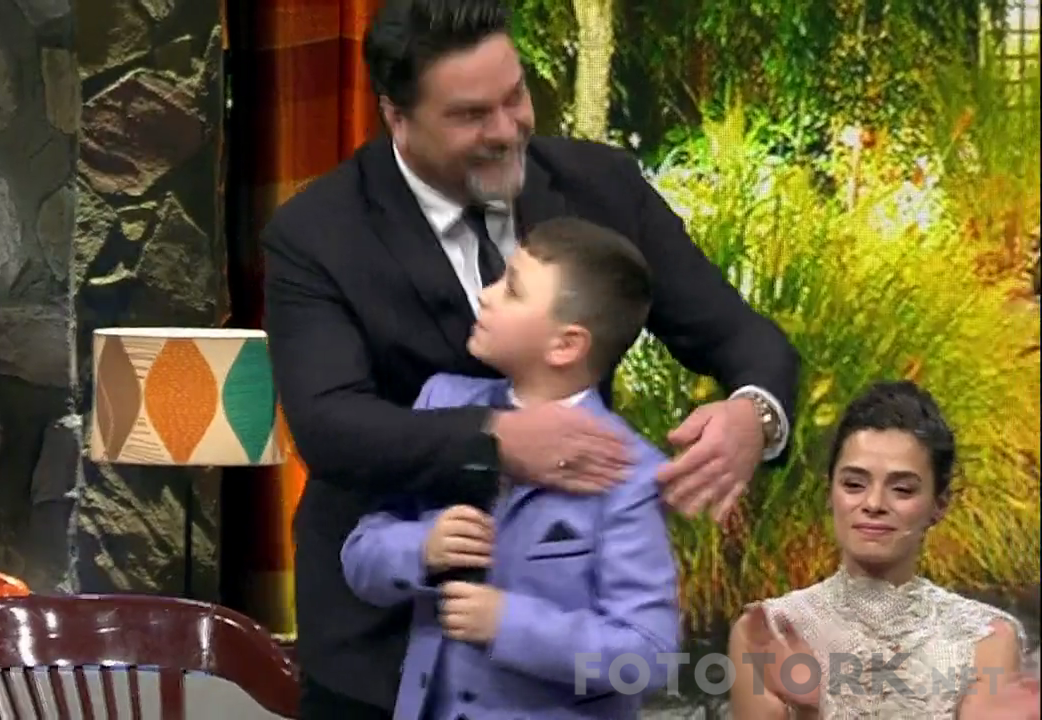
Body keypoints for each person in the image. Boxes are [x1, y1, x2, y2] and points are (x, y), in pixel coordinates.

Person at [262, 0, 799, 715]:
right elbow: (330, 425)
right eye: (470, 115)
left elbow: (742, 336)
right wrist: (498, 439)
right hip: (381, 664)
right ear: (397, 117)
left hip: (567, 679)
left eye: (515, 96)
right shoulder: (317, 234)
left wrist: (753, 414)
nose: (507, 128)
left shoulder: (602, 187)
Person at [340, 217, 679, 720]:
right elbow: (360, 558)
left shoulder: (628, 473)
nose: (485, 295)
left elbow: (648, 657)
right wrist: (421, 548)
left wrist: (508, 624)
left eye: (512, 289)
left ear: (566, 345)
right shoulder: (442, 405)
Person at [727, 381, 1039, 719]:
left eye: (902, 489)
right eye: (854, 485)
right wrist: (807, 709)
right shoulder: (768, 632)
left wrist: (820, 706)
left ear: (939, 504)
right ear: (830, 493)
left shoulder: (986, 639)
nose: (874, 503)